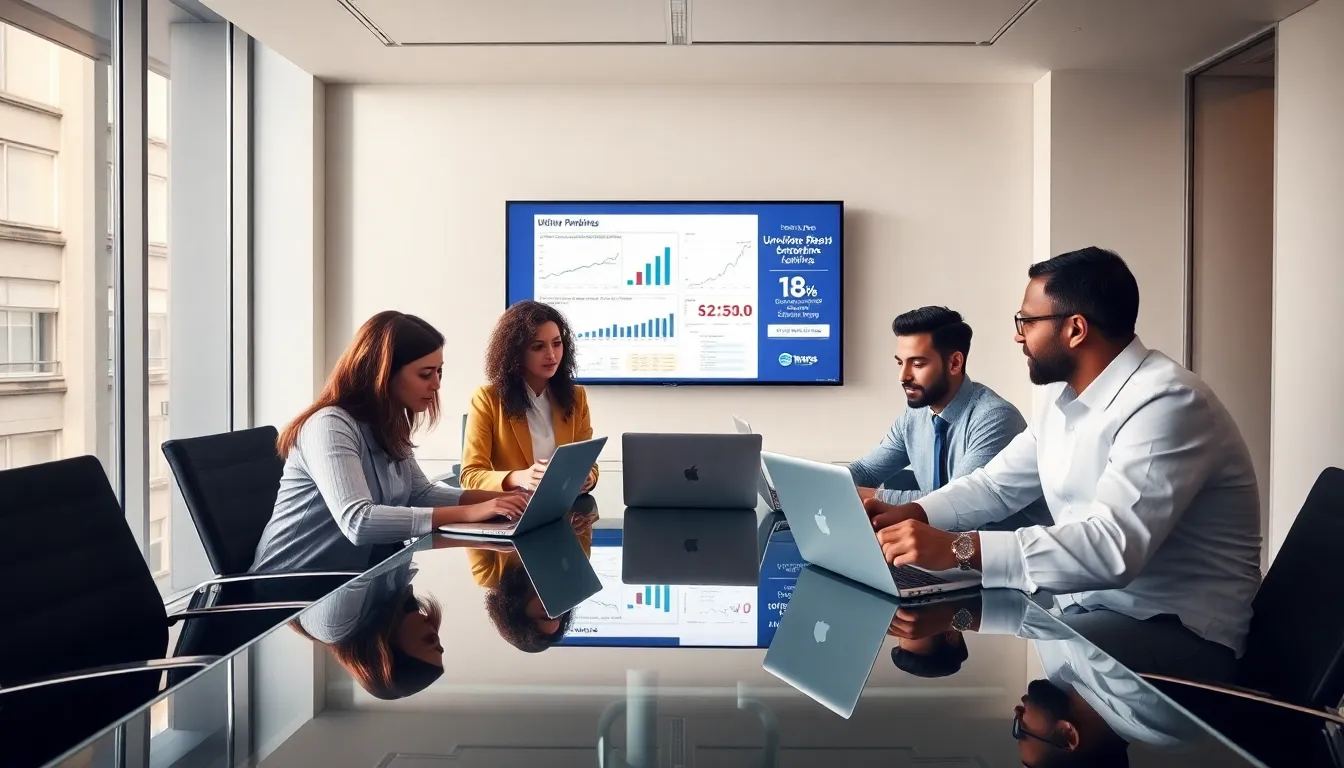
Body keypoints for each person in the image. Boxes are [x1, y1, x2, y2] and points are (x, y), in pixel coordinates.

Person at [865, 247, 1262, 681]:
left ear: (1075, 329)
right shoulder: (1062, 400)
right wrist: (912, 513)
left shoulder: (1167, 402)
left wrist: (959, 549)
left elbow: (1112, 549)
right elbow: (996, 486)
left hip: (1175, 634)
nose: (1018, 337)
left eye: (1026, 322)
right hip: (1086, 608)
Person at [250, 311, 530, 574]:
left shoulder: (389, 422)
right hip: (286, 594)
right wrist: (472, 512)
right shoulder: (330, 425)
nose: (436, 384)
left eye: (439, 372)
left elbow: (419, 494)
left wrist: (504, 501)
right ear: (383, 373)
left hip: (348, 584)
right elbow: (359, 521)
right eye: (425, 374)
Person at [848, 306, 1050, 531]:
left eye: (917, 364)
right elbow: (866, 471)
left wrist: (872, 497)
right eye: (900, 362)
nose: (903, 376)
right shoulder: (914, 416)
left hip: (1001, 559)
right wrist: (825, 483)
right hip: (939, 553)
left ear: (955, 363)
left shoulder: (995, 418)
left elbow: (957, 503)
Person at [460, 300, 599, 493]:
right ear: (515, 352)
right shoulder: (487, 399)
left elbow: (588, 463)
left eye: (557, 344)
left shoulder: (576, 396)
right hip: (512, 511)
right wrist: (520, 477)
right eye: (538, 347)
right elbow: (470, 476)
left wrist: (588, 477)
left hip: (562, 507)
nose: (551, 355)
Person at [292, 561, 445, 700]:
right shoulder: (391, 593)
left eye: (431, 640)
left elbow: (360, 541)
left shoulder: (335, 626)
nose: (439, 641)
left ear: (388, 654)